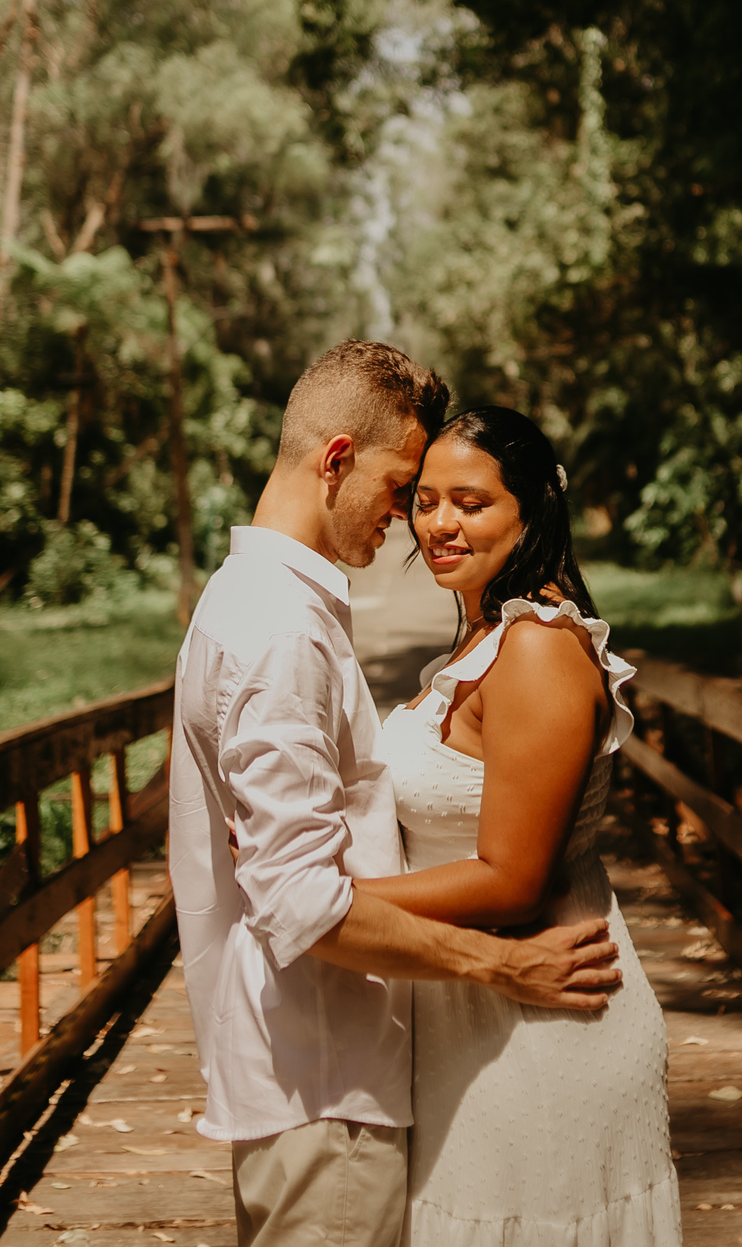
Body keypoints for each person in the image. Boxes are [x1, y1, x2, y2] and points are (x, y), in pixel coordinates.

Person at [169, 342, 621, 1247]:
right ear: (337, 459)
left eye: (460, 499)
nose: (413, 519)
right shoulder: (281, 631)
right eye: (405, 488)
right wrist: (502, 966)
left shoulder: (244, 598)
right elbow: (300, 902)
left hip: (327, 1062)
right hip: (325, 1073)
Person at [363, 405, 682, 1246]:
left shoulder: (537, 648)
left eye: (471, 503)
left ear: (533, 508)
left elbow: (512, 881)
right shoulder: (484, 636)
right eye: (425, 501)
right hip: (471, 1021)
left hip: (547, 1037)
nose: (440, 524)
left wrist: (333, 901)